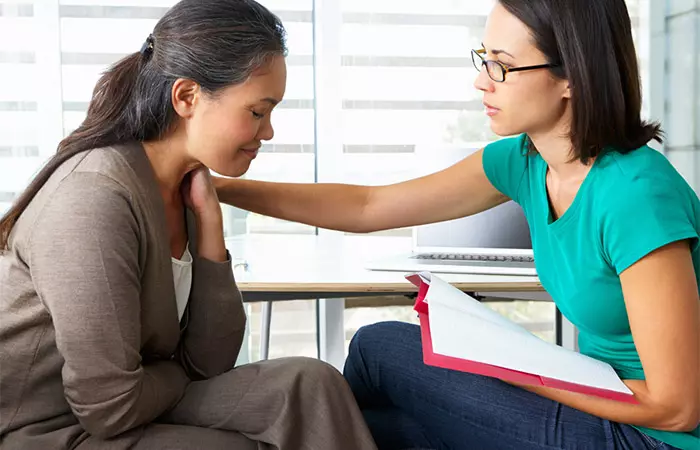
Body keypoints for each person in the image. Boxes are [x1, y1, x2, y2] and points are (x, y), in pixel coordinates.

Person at [213, 0, 700, 449]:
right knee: (374, 433)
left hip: (652, 438)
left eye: (502, 65)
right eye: (483, 58)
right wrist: (221, 189)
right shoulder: (526, 162)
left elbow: (676, 407)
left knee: (378, 346)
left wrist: (511, 366)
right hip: (601, 411)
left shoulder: (634, 196)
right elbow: (367, 207)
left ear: (571, 74)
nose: (482, 80)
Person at [0, 1, 378, 449]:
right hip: (50, 428)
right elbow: (109, 406)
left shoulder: (185, 189)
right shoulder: (93, 198)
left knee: (311, 384)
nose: (269, 131)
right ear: (186, 97)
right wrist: (175, 371)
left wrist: (211, 230)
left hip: (138, 399)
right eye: (258, 112)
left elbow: (210, 361)